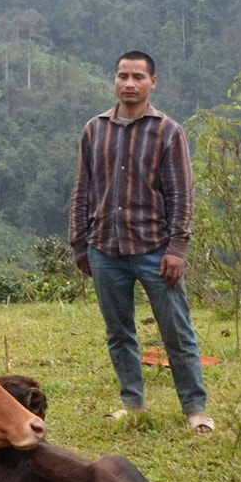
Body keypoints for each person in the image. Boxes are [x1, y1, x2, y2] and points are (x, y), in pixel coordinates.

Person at [70, 50, 212, 433]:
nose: (129, 83)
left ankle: (196, 410)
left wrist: (177, 247)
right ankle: (132, 403)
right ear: (114, 80)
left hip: (154, 250)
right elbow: (82, 189)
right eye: (122, 76)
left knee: (177, 332)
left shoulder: (168, 131)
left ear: (153, 82)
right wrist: (79, 244)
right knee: (119, 332)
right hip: (104, 249)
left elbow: (181, 194)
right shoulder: (94, 129)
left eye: (137, 76)